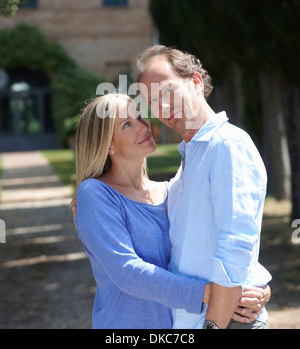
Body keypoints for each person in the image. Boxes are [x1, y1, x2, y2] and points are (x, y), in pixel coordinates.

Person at [74, 93, 265, 329]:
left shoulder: (172, 190)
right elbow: (127, 272)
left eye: (139, 117)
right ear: (108, 145)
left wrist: (257, 289)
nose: (144, 126)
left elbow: (227, 238)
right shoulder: (95, 194)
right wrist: (218, 295)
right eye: (127, 125)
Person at [137, 45, 272, 329]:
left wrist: (213, 325)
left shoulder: (226, 145)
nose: (161, 108)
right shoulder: (192, 155)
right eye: (152, 101)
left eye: (168, 92)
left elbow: (236, 244)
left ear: (196, 82)